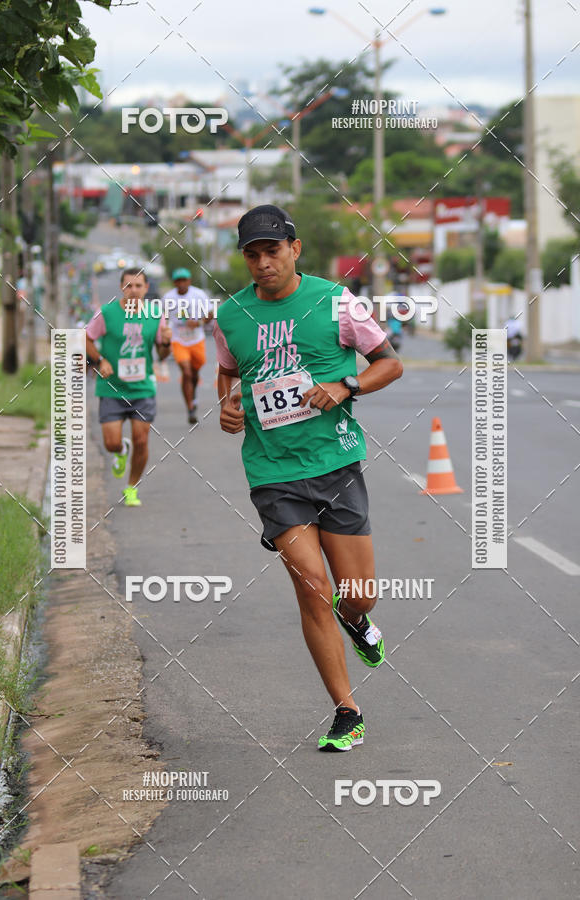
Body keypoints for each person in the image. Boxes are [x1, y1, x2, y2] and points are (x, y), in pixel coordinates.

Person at [214, 205, 403, 752]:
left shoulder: (335, 302)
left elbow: (388, 363)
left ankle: (360, 622)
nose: (263, 262)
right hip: (273, 473)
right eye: (252, 253)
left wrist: (348, 385)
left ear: (295, 249)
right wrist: (229, 404)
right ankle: (347, 710)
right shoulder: (232, 316)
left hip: (336, 463)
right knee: (313, 591)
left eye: (272, 250)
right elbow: (229, 371)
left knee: (357, 594)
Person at [85, 267, 172, 507]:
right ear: (122, 288)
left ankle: (131, 487)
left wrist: (166, 342)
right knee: (111, 443)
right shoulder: (106, 313)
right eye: (128, 286)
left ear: (146, 288)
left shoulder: (156, 314)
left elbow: (163, 354)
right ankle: (121, 449)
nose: (133, 290)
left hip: (142, 389)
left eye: (138, 286)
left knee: (141, 440)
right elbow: (86, 338)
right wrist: (100, 360)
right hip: (111, 389)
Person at [163, 267, 213, 424]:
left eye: (184, 280)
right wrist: (165, 331)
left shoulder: (199, 294)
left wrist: (198, 322)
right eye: (178, 280)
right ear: (174, 282)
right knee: (186, 371)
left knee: (194, 373)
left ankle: (193, 394)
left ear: (189, 281)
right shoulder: (168, 297)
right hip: (179, 340)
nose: (181, 283)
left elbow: (210, 314)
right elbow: (163, 317)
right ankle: (190, 408)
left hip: (197, 340)